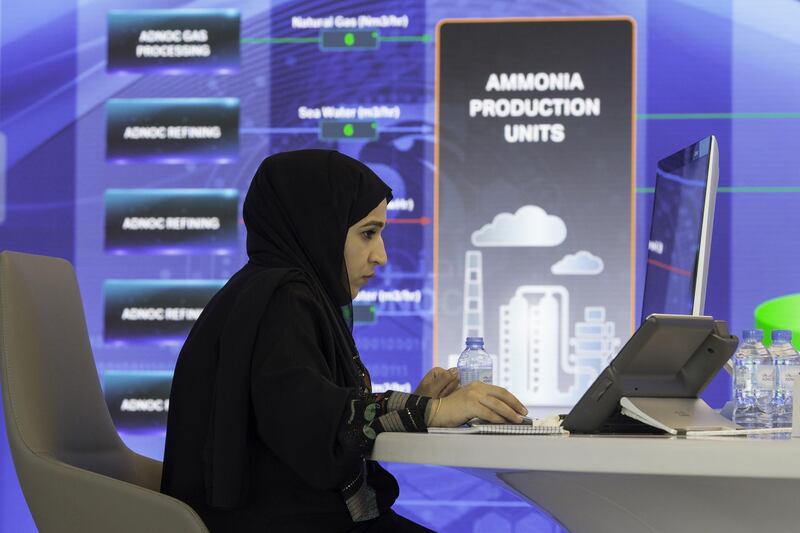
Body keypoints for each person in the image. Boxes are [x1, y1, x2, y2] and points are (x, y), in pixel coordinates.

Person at [161, 149, 528, 532]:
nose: (381, 256)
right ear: (318, 226)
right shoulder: (281, 299)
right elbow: (314, 422)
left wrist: (419, 403)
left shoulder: (268, 292)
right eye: (368, 233)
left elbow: (310, 413)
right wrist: (432, 411)